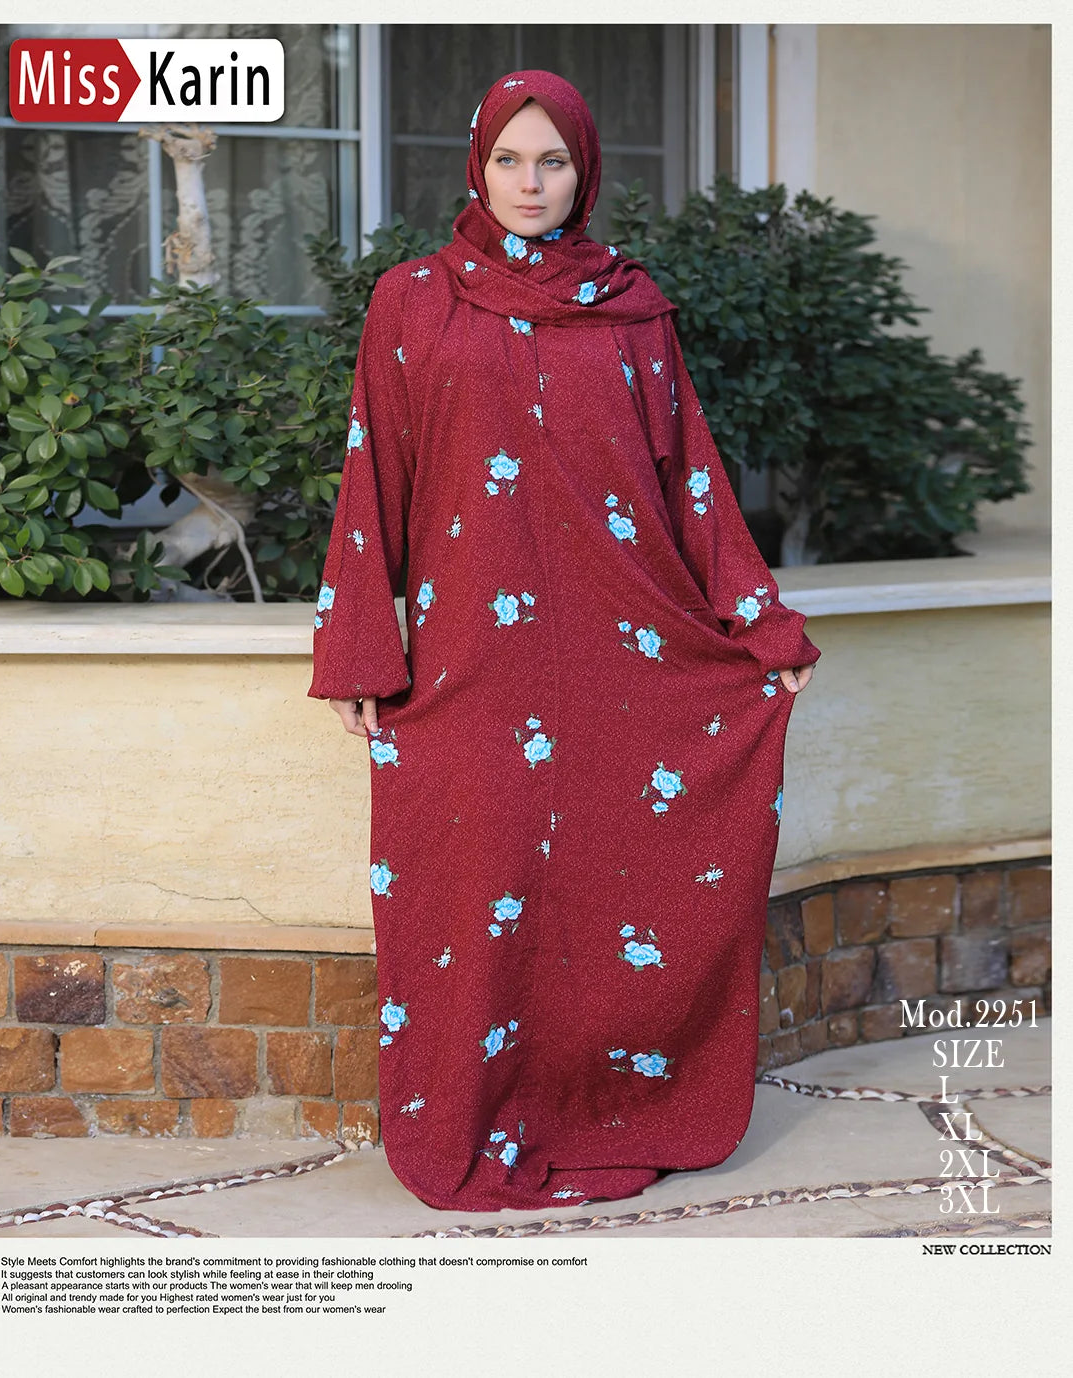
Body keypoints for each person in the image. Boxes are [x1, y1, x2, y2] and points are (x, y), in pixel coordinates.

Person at [308, 69, 820, 1213]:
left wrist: (759, 624)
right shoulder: (413, 301)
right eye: (508, 160)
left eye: (552, 162)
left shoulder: (631, 308)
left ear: (584, 173)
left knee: (614, 887)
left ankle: (616, 1108)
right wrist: (358, 649)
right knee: (472, 881)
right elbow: (372, 475)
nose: (529, 184)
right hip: (465, 661)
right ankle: (475, 1114)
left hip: (622, 648)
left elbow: (688, 479)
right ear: (475, 167)